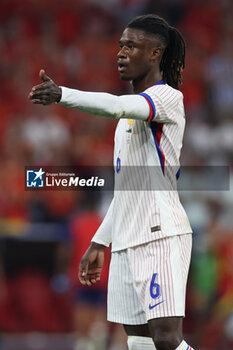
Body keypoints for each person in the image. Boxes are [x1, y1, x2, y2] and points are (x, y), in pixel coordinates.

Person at [29, 14, 194, 350]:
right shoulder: (124, 124)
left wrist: (62, 94)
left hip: (160, 234)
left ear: (155, 54)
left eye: (131, 46)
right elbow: (125, 193)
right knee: (138, 341)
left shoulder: (167, 98)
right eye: (120, 45)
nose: (120, 53)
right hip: (125, 243)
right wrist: (99, 241)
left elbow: (117, 106)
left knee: (166, 340)